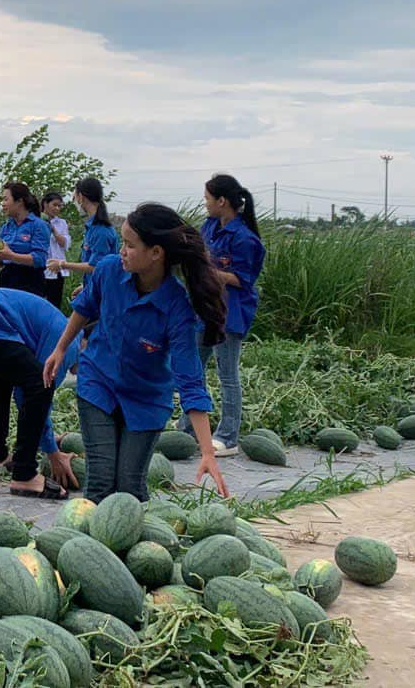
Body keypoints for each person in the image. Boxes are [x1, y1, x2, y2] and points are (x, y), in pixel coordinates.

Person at [42, 202, 229, 503]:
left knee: (130, 485)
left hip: (146, 399)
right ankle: (93, 533)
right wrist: (61, 349)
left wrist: (207, 451)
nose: (122, 251)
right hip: (98, 384)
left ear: (156, 253)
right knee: (101, 480)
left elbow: (190, 379)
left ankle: (134, 530)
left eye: (129, 245)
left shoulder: (177, 307)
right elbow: (84, 307)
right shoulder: (109, 271)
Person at [0, 288, 84, 498]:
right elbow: (36, 389)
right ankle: (25, 475)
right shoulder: (71, 343)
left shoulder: (57, 325)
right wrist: (52, 452)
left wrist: (46, 437)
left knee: (4, 378)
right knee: (38, 385)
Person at [176, 174, 266, 456]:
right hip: (205, 309)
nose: (205, 203)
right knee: (193, 369)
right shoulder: (211, 226)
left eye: (207, 198)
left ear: (222, 201)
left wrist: (207, 272)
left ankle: (228, 436)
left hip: (231, 313)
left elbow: (242, 279)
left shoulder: (245, 239)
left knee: (227, 375)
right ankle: (187, 430)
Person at [47, 177, 118, 298]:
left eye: (74, 197)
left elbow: (95, 266)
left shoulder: (101, 231)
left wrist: (62, 265)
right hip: (93, 289)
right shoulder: (92, 227)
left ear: (81, 197)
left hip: (102, 294)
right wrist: (85, 286)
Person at [0, 181, 51, 297]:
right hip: (7, 280)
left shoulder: (38, 225)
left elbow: (40, 259)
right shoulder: (6, 227)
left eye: (6, 199)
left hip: (30, 281)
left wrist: (11, 256)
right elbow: (1, 262)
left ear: (19, 201)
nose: (3, 204)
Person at [40, 190, 72, 310]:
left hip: (57, 268)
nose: (57, 208)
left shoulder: (62, 223)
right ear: (45, 204)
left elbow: (65, 244)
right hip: (41, 268)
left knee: (54, 302)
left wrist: (53, 229)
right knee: (40, 302)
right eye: (54, 205)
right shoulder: (37, 221)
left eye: (59, 206)